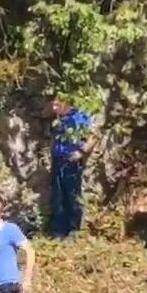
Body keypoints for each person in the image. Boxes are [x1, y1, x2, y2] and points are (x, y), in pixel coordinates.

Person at [48, 96, 95, 240]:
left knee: (72, 196)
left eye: (57, 105)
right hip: (58, 161)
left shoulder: (80, 116)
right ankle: (58, 231)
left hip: (71, 163)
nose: (54, 108)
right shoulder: (58, 119)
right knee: (58, 197)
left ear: (65, 103)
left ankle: (73, 229)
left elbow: (93, 135)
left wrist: (82, 152)